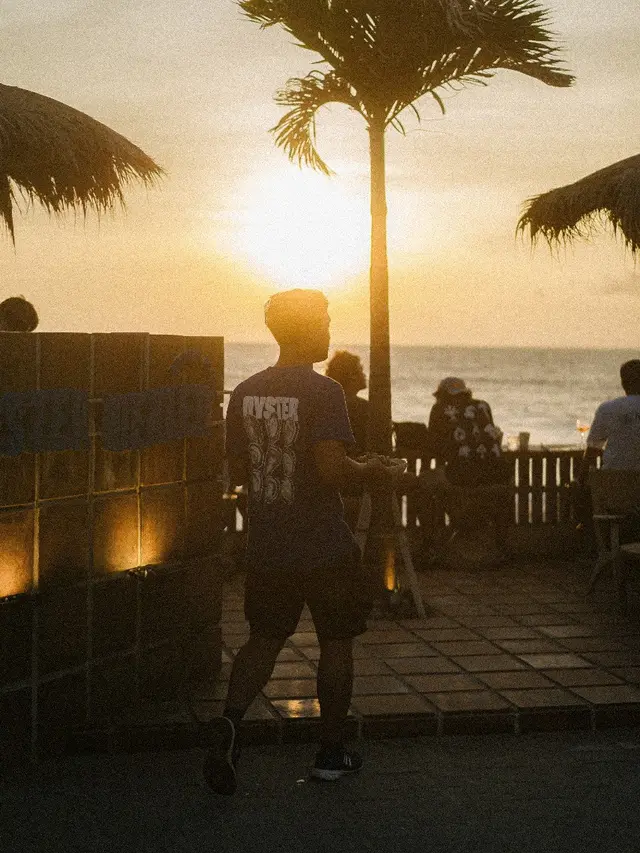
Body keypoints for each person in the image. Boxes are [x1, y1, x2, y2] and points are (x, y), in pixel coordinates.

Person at [204, 288, 394, 795]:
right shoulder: (324, 392)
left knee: (264, 640)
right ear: (306, 329)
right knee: (336, 643)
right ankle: (331, 753)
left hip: (269, 546)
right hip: (325, 546)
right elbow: (332, 471)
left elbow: (239, 470)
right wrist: (371, 470)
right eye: (324, 322)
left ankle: (229, 724)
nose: (329, 330)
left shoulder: (245, 392)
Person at [424, 376, 511, 559]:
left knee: (424, 482)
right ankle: (501, 546)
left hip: (463, 476)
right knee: (486, 496)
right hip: (496, 474)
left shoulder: (440, 408)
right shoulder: (483, 406)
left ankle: (431, 544)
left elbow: (433, 445)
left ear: (441, 394)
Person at [579, 359, 640, 475]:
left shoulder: (608, 408)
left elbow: (593, 449)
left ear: (623, 383)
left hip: (613, 480)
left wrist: (580, 479)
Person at [325, 350, 368, 457]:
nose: (364, 375)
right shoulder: (362, 407)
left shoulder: (329, 404)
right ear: (352, 376)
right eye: (361, 370)